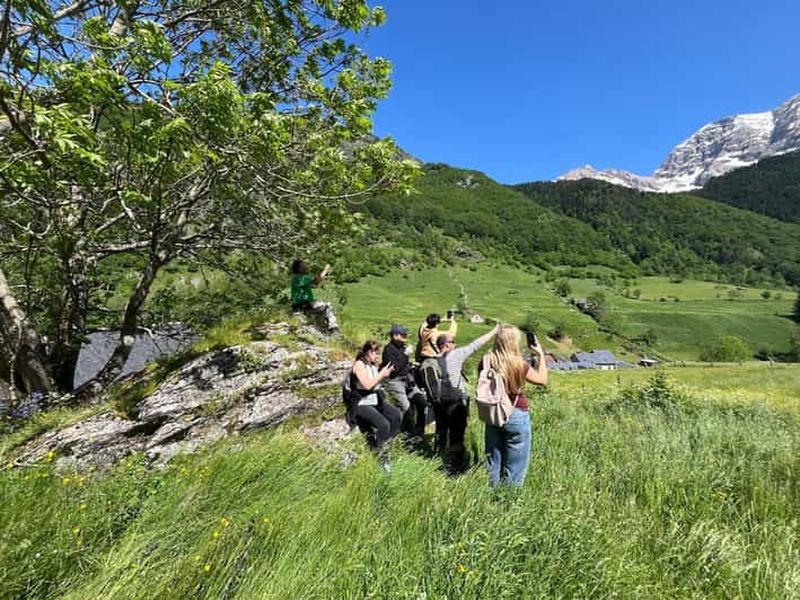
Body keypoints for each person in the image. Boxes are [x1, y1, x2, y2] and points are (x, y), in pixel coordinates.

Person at [481, 325, 548, 487]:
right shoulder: (519, 364)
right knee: (516, 464)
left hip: (493, 413)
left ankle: (490, 495)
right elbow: (542, 380)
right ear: (513, 342)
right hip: (516, 413)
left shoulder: (485, 361)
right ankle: (509, 499)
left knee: (493, 458)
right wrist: (541, 355)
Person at [432, 325, 499, 472]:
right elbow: (476, 344)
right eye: (453, 342)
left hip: (439, 403)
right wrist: (494, 332)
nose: (455, 344)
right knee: (457, 436)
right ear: (447, 345)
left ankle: (437, 461)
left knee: (441, 433)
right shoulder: (456, 355)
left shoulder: (432, 362)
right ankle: (457, 468)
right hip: (456, 403)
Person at [350, 341, 402, 465]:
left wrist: (385, 375)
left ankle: (387, 446)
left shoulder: (373, 365)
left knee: (396, 416)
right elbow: (367, 385)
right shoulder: (359, 365)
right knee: (383, 424)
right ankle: (382, 459)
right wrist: (381, 374)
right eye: (373, 352)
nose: (376, 355)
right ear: (367, 352)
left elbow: (376, 383)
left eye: (377, 352)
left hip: (374, 399)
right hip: (361, 402)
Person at [381, 324, 428, 439]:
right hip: (395, 381)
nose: (405, 336)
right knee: (405, 407)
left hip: (407, 380)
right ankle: (408, 436)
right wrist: (405, 355)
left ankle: (419, 431)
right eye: (403, 334)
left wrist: (411, 364)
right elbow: (394, 369)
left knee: (422, 401)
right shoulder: (388, 350)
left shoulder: (402, 346)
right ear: (395, 336)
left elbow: (402, 364)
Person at [290, 259, 338, 332]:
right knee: (327, 306)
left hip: (299, 305)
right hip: (304, 304)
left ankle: (324, 328)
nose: (306, 267)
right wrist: (325, 270)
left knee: (322, 309)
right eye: (304, 266)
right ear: (299, 269)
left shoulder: (297, 278)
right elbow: (317, 281)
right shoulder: (300, 277)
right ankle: (333, 328)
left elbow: (314, 284)